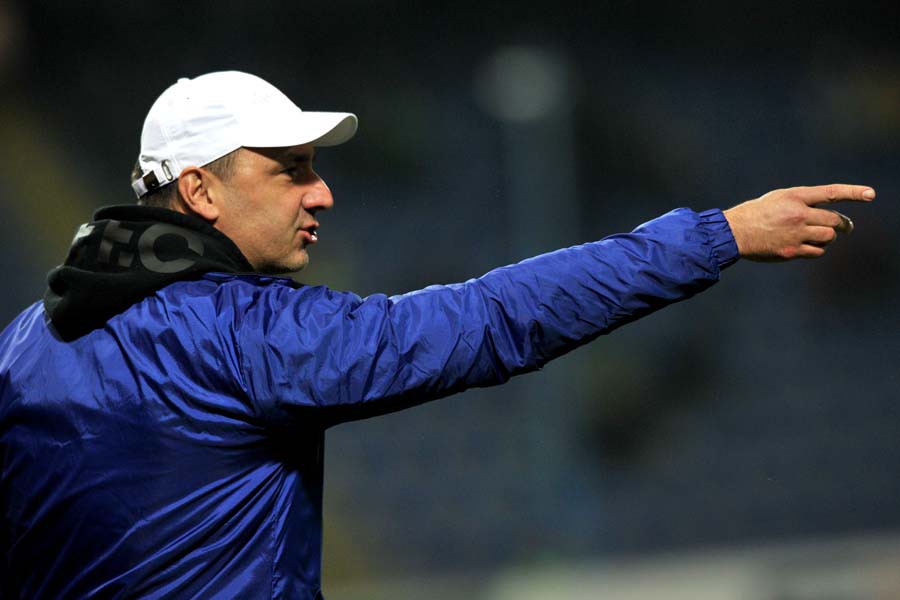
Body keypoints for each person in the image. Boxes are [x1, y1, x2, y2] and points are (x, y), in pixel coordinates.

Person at [0, 71, 874, 599]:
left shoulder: (25, 345)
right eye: (291, 169)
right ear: (199, 192)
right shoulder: (245, 339)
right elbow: (490, 319)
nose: (321, 193)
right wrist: (715, 236)